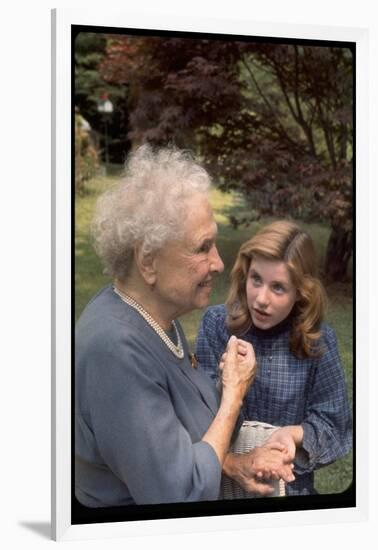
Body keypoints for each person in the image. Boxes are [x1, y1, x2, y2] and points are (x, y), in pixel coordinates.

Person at [75, 145, 294, 508]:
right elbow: (180, 493)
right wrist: (234, 395)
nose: (219, 263)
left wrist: (229, 461)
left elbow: (177, 431)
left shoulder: (157, 318)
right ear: (148, 260)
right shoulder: (113, 350)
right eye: (203, 247)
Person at [196, 220, 352, 496]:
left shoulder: (317, 341)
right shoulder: (218, 325)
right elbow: (195, 416)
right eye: (256, 279)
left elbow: (335, 426)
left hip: (288, 490)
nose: (261, 299)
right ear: (245, 273)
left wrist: (294, 434)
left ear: (300, 293)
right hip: (223, 485)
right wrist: (228, 386)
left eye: (278, 287)